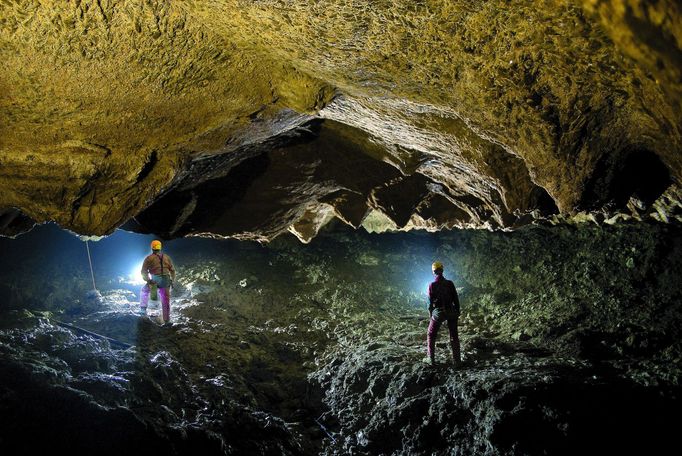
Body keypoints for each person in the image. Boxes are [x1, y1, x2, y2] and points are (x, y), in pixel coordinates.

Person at [424, 261, 461, 366]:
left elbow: (429, 303)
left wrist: (431, 315)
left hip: (439, 313)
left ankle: (431, 359)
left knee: (431, 334)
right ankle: (457, 361)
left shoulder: (432, 285)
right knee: (454, 336)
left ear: (433, 272)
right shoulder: (450, 283)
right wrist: (457, 311)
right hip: (452, 311)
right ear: (442, 270)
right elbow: (456, 298)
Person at [140, 239, 176, 324]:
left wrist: (148, 280)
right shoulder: (167, 257)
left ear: (152, 248)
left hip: (155, 280)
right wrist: (172, 281)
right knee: (165, 299)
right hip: (166, 280)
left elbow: (143, 272)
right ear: (160, 248)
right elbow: (173, 270)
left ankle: (142, 310)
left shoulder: (149, 258)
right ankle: (166, 320)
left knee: (144, 291)